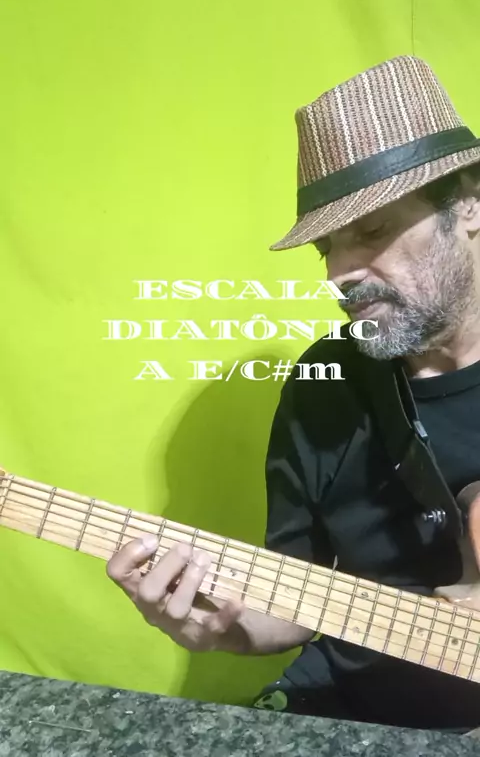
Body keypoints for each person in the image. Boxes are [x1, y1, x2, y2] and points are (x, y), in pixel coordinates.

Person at [106, 55, 480, 733]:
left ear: (469, 205)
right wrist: (219, 625)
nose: (340, 273)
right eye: (326, 248)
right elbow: (291, 598)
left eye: (371, 231)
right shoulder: (325, 384)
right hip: (345, 706)